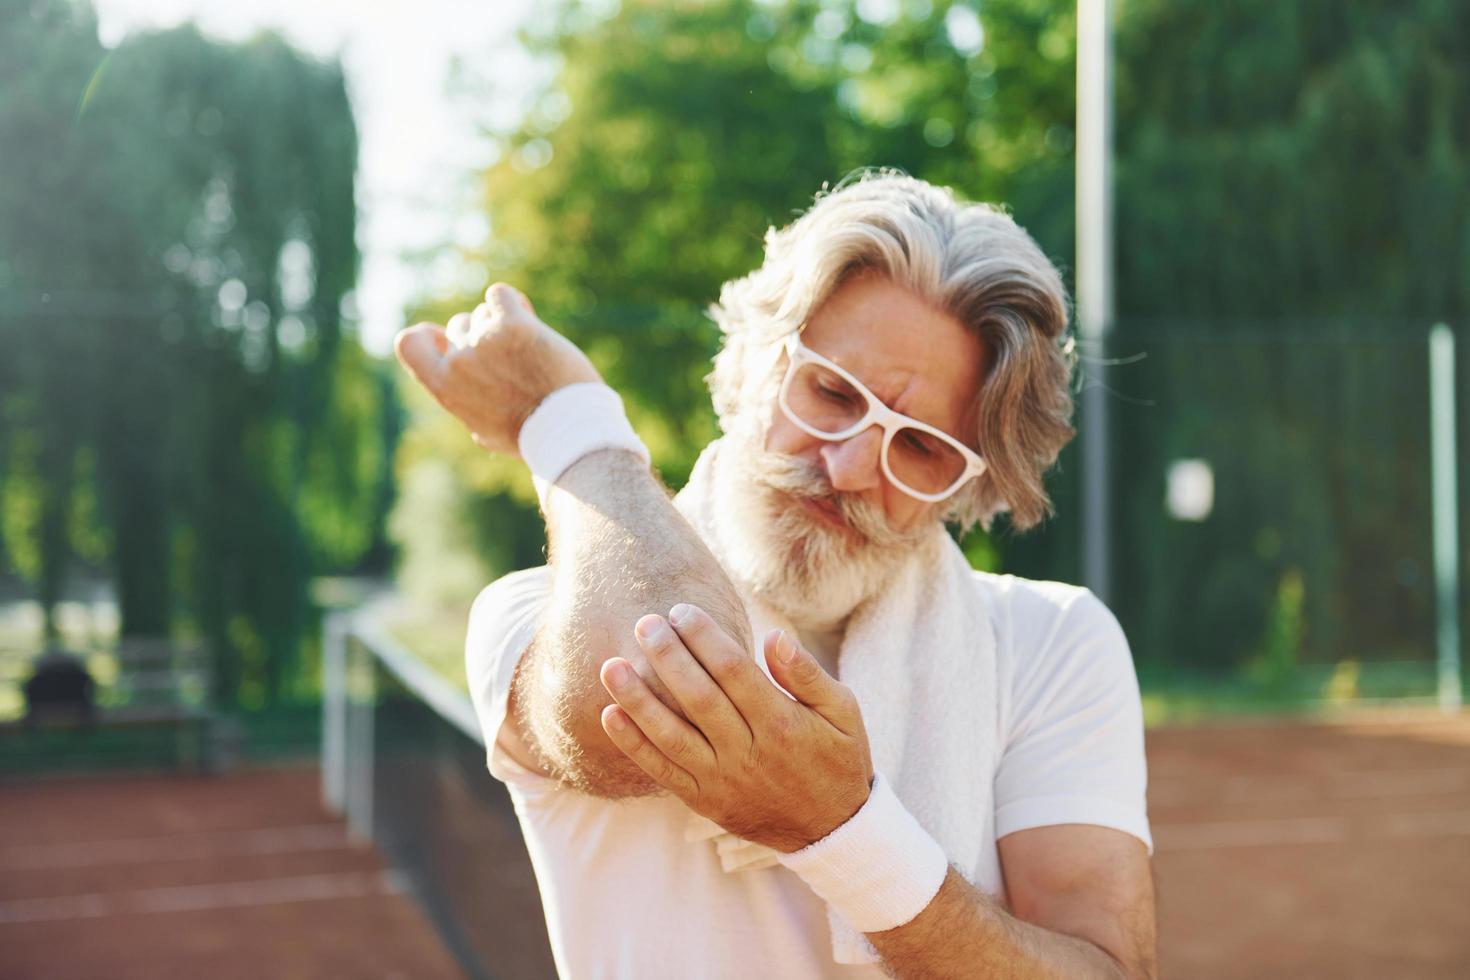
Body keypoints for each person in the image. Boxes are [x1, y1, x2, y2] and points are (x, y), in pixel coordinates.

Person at [395, 172, 1156, 979]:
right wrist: (572, 424)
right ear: (754, 362)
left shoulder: (1051, 643)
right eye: (831, 392)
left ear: (971, 487)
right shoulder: (542, 616)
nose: (855, 466)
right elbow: (657, 661)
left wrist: (842, 830)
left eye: (923, 448)